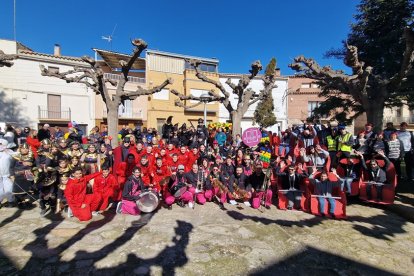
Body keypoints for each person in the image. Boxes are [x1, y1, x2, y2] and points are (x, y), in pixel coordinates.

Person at [11, 143, 35, 208]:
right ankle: (20, 202)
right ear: (20, 149)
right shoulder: (15, 156)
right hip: (18, 176)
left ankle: (27, 201)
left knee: (28, 189)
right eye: (23, 148)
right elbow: (11, 167)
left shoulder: (31, 156)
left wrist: (31, 164)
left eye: (26, 148)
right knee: (18, 190)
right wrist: (11, 175)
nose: (25, 150)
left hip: (28, 175)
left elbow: (35, 165)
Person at [0, 139, 16, 207]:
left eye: (1, 144)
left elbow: (17, 155)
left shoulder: (9, 151)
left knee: (9, 188)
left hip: (7, 174)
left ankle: (11, 201)